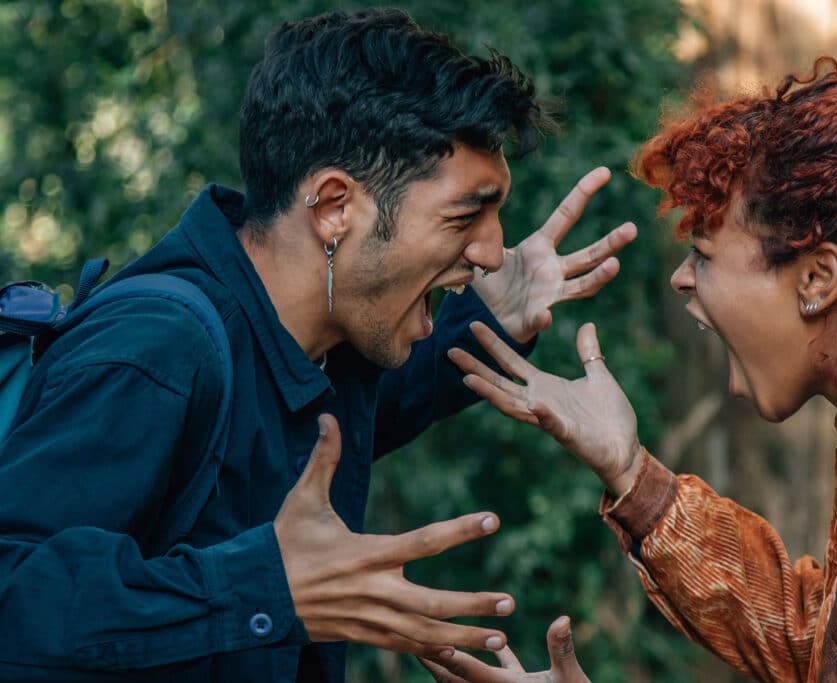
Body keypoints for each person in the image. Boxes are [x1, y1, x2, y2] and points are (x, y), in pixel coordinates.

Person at [0, 8, 637, 682]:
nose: (489, 249)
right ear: (335, 206)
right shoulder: (156, 351)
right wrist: (263, 589)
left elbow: (362, 408)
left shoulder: (319, 345)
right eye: (465, 214)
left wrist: (488, 316)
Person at [432, 24, 837, 682]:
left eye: (705, 255)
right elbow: (825, 643)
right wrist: (631, 473)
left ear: (818, 279)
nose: (682, 279)